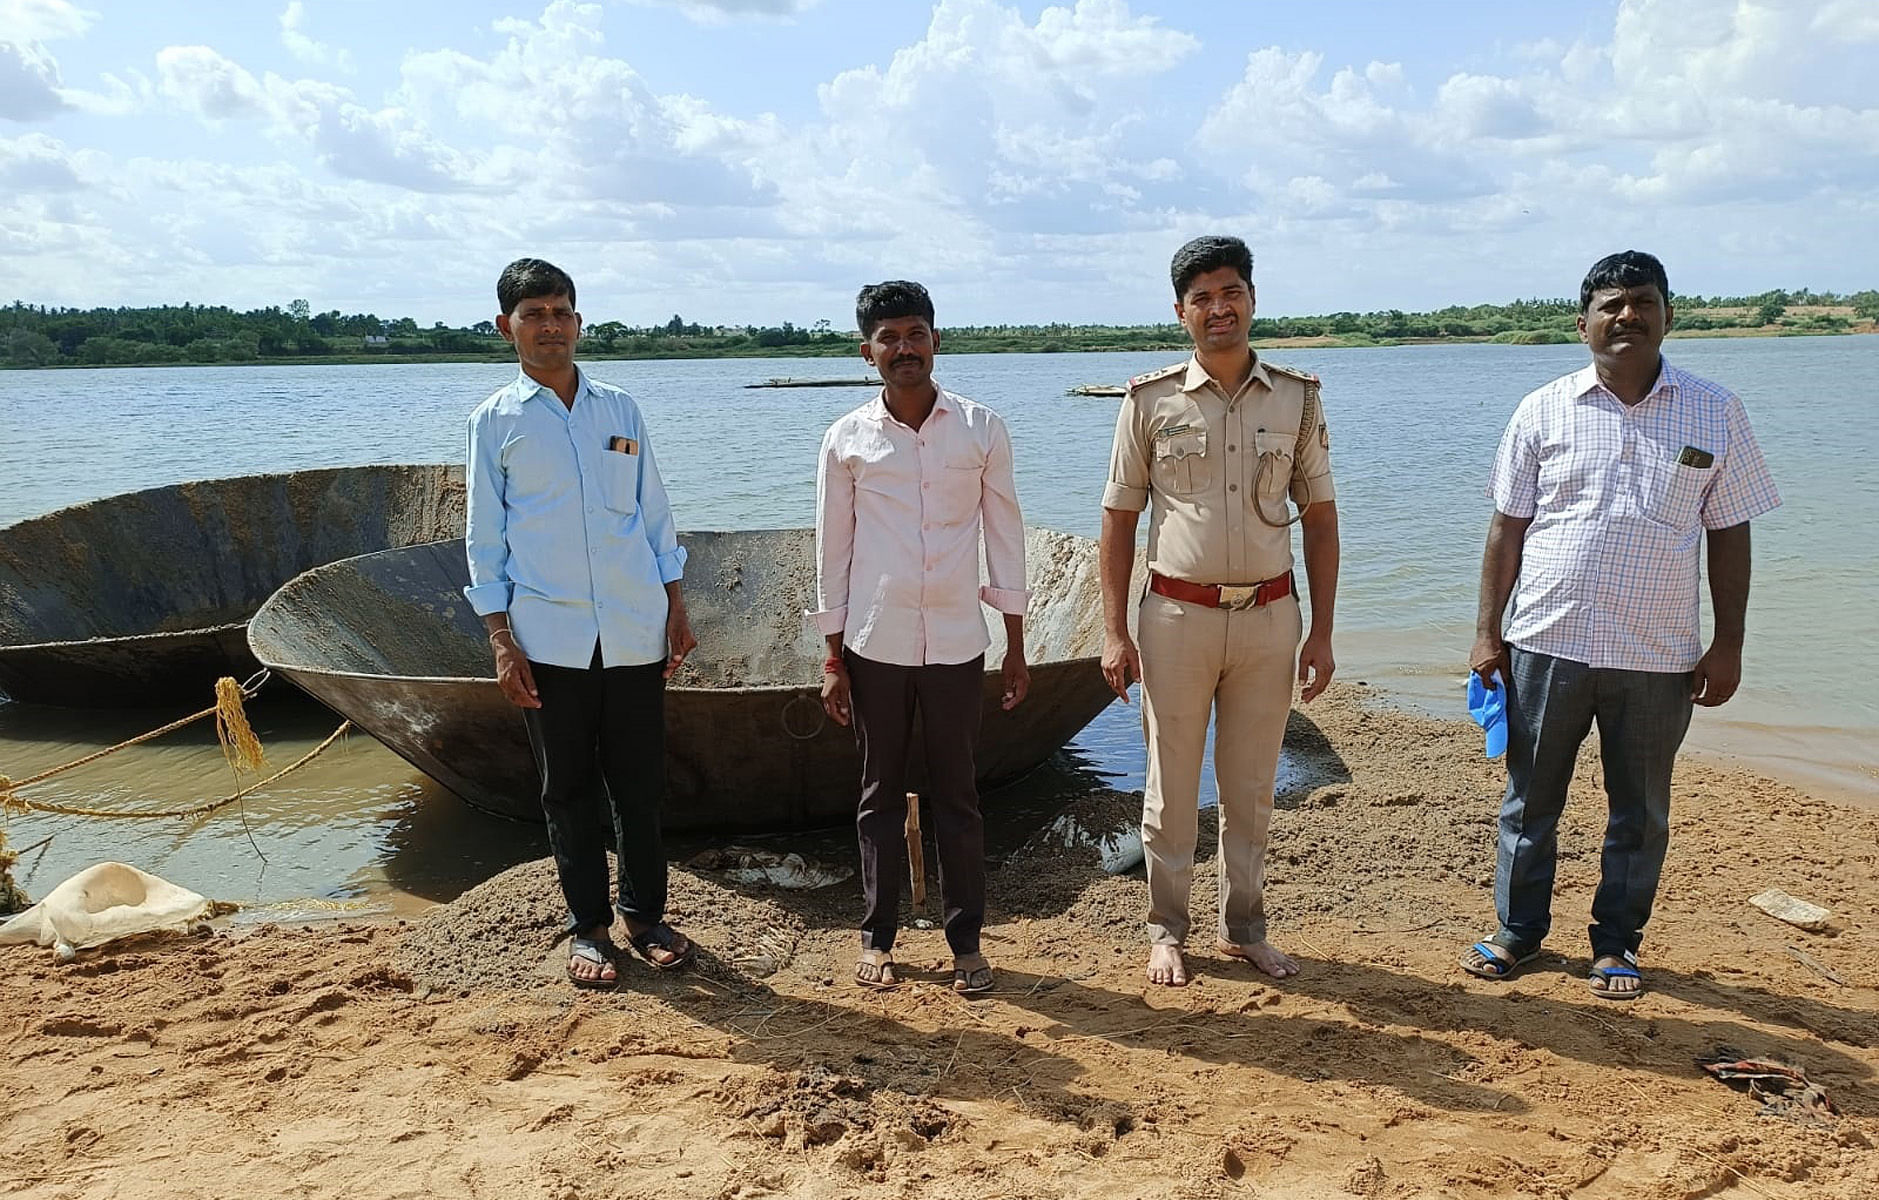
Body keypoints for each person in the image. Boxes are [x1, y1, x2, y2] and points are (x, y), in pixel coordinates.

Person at [1461, 250, 1781, 1000]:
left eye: (1642, 301)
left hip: (1658, 654)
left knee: (1638, 812)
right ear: (1583, 325)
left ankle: (1615, 946)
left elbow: (1728, 530)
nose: (1626, 315)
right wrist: (1486, 632)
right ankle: (1516, 935)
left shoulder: (1715, 411)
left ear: (1668, 314)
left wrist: (1726, 644)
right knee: (1529, 801)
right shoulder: (1542, 409)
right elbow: (1505, 529)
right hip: (1545, 642)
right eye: (1610, 305)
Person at [1099, 235, 1340, 988]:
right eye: (1201, 297)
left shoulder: (1297, 399)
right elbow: (1118, 519)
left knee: (1250, 786)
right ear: (1181, 312)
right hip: (1174, 618)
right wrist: (1113, 630)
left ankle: (1245, 929)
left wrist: (1322, 632)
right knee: (1171, 786)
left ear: (1251, 300)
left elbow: (1322, 516)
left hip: (1270, 618)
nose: (1218, 307)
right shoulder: (1148, 400)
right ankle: (1166, 929)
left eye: (1230, 291)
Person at [464, 257, 698, 989]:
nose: (551, 326)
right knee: (566, 788)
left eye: (562, 312)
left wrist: (677, 606)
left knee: (638, 782)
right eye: (534, 315)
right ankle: (588, 929)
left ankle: (645, 915)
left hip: (633, 625)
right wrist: (502, 641)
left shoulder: (620, 410)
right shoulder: (494, 422)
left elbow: (654, 515)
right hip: (548, 635)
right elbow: (484, 540)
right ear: (507, 328)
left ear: (578, 321)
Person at [811, 280, 1031, 996]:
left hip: (958, 644)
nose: (903, 349)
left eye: (915, 334)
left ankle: (965, 941)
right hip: (876, 643)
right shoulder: (847, 439)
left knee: (958, 793)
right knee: (877, 791)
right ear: (866, 349)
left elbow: (1004, 537)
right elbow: (832, 551)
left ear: (935, 339)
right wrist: (833, 656)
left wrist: (1016, 644)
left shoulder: (980, 429)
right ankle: (877, 936)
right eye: (888, 337)